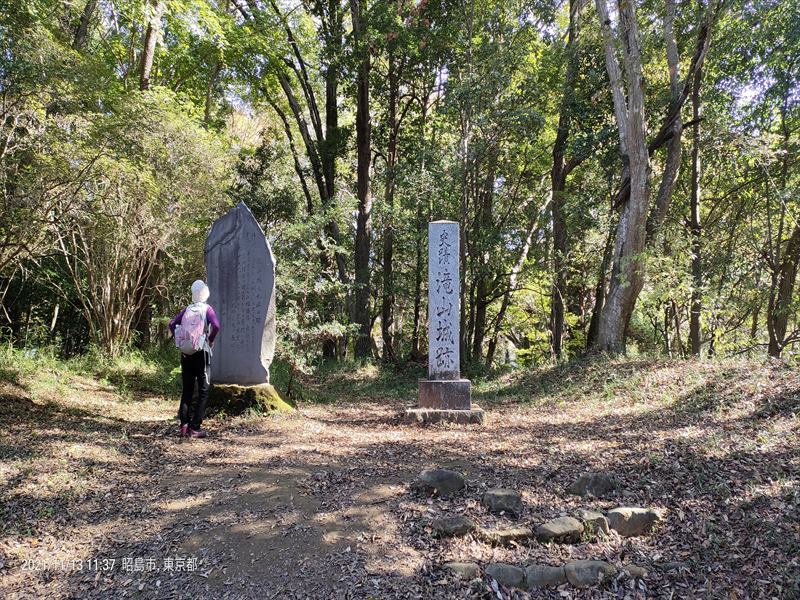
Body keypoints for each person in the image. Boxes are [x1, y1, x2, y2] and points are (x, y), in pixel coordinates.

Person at [169, 280, 220, 439]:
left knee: (187, 390)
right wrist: (210, 339)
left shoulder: (187, 309)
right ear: (205, 294)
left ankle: (184, 425)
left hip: (186, 354)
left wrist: (181, 339)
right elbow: (216, 325)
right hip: (201, 353)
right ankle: (195, 427)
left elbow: (172, 324)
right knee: (204, 390)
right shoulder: (207, 309)